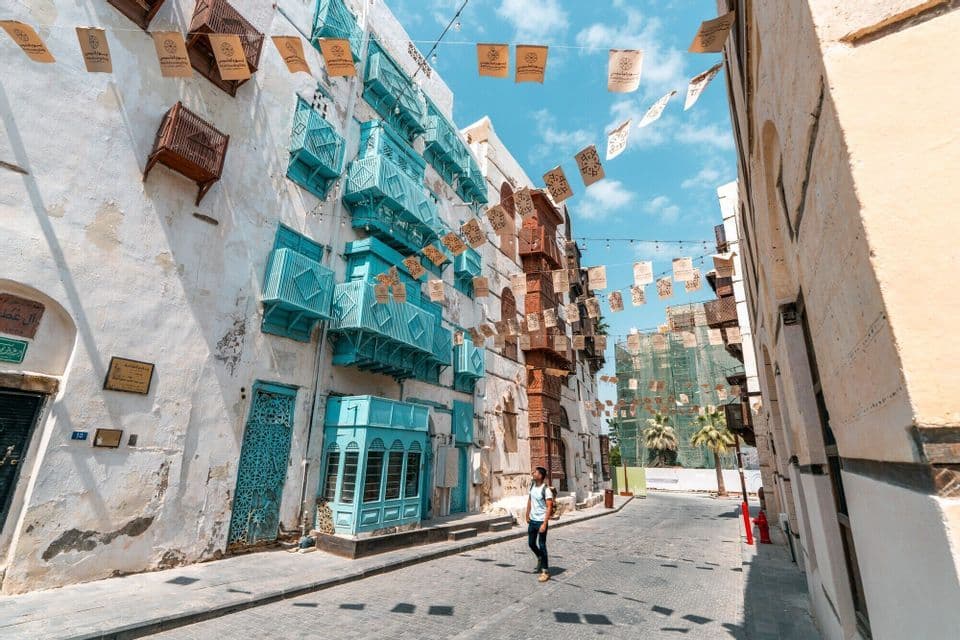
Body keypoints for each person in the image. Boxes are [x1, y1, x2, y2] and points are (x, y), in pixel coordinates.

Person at [525, 466, 554, 583]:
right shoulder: (532, 486)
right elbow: (530, 500)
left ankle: (545, 571)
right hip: (532, 520)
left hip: (541, 521)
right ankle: (540, 557)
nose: (533, 473)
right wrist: (527, 514)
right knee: (531, 543)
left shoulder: (546, 490)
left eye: (536, 472)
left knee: (542, 545)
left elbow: (549, 506)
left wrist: (545, 523)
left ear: (540, 476)